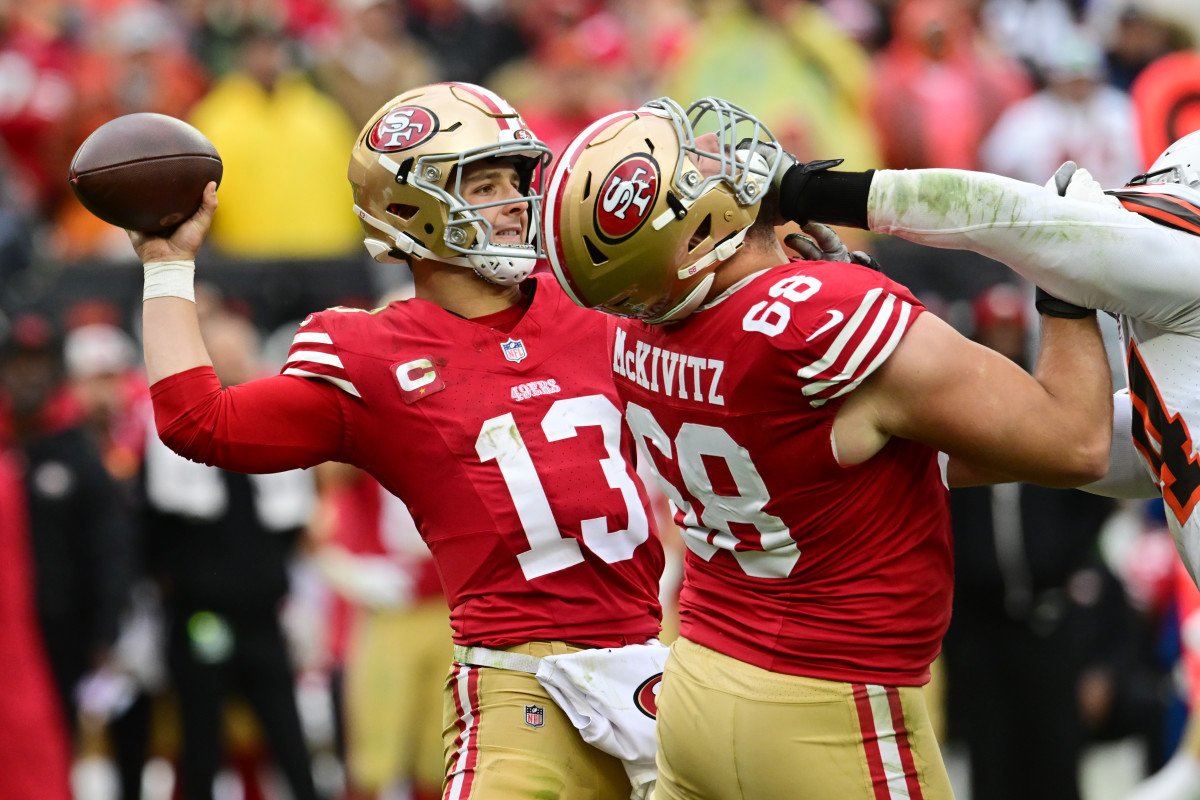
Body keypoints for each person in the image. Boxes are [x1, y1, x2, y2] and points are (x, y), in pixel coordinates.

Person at [542, 96, 1113, 799]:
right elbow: (1076, 441)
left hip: (698, 684)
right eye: (691, 168)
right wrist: (1069, 274)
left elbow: (885, 457)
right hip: (828, 709)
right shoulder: (822, 317)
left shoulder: (636, 331)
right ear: (687, 234)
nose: (714, 162)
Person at [120, 81, 665, 800]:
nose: (514, 202)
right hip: (521, 683)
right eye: (485, 182)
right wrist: (166, 264)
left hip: (661, 662)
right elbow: (198, 422)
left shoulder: (598, 303)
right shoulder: (371, 353)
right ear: (413, 207)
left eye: (515, 179)